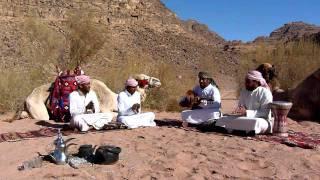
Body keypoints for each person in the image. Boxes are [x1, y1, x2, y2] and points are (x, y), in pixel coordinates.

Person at [215, 70, 273, 134]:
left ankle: (239, 129)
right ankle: (242, 130)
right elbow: (241, 106)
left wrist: (246, 112)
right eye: (245, 81)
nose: (245, 84)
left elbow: (265, 113)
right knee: (224, 119)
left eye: (248, 82)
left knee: (256, 122)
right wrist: (239, 111)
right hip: (245, 119)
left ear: (256, 81)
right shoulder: (244, 91)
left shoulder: (265, 92)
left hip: (262, 120)